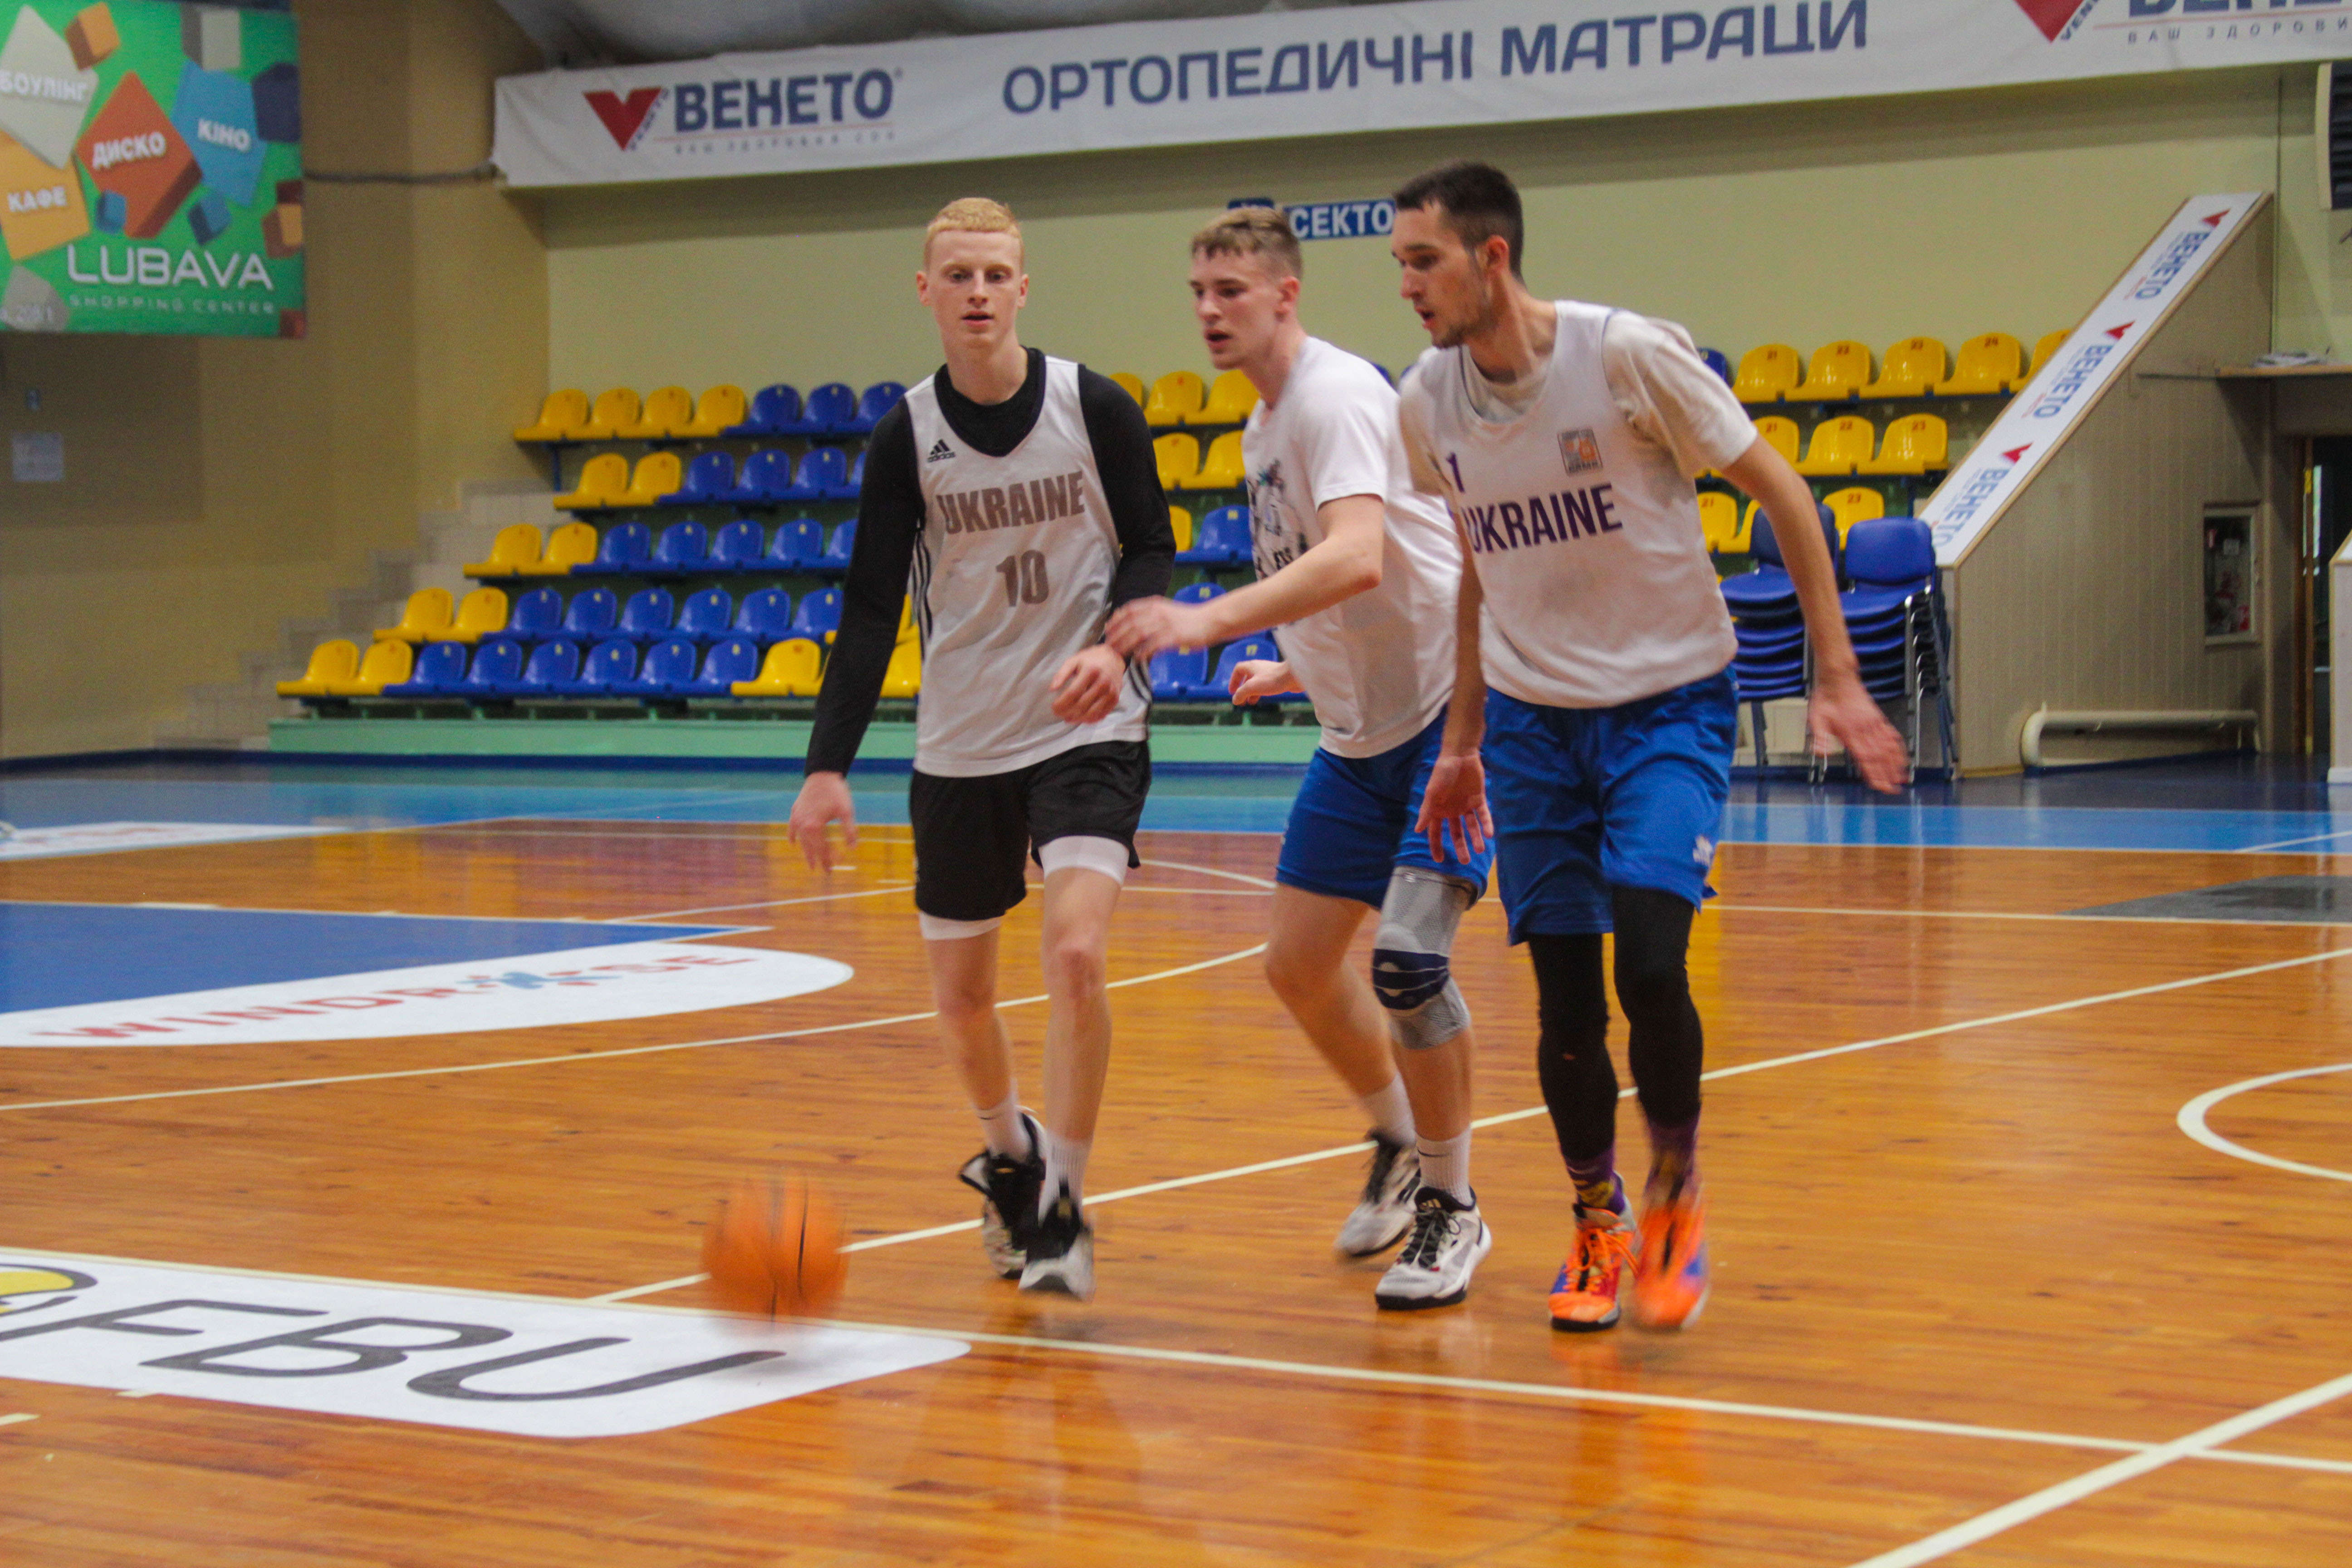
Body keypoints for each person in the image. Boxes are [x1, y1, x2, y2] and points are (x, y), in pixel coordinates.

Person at [1390, 161, 1908, 1333]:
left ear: (1492, 257)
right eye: (1400, 265)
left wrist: (1836, 673)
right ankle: (1598, 1216)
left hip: (1668, 704)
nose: (1408, 286)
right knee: (1567, 1007)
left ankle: (1676, 1184)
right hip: (1531, 723)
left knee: (1654, 966)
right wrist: (1462, 738)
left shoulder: (1624, 357)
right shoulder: (1426, 402)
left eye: (1425, 261)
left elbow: (1784, 492)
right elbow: (1475, 563)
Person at [1107, 207, 1495, 1311]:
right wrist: (1298, 667)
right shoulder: (1263, 425)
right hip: (1359, 734)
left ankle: (1454, 1205)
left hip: (1450, 723)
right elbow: (1364, 568)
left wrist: (1207, 620)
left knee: (1407, 965)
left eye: (1230, 290)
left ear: (1286, 294)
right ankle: (1398, 1139)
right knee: (1295, 965)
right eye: (1198, 292)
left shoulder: (1332, 396)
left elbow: (1359, 556)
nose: (1208, 310)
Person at [789, 197, 1175, 1301]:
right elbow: (871, 607)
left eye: (996, 274)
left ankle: (1063, 1207)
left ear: (1023, 287)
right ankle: (1010, 1156)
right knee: (961, 1000)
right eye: (957, 275)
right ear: (926, 291)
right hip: (961, 737)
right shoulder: (904, 436)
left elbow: (1151, 545)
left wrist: (1116, 644)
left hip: (1087, 721)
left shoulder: (1094, 405)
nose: (977, 292)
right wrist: (827, 765)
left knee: (1076, 955)